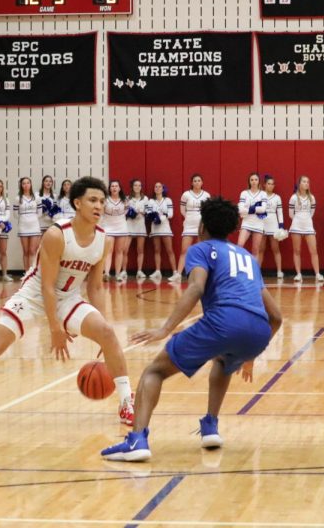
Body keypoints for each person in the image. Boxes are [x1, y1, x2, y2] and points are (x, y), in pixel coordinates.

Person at [0, 176, 135, 426]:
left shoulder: (104, 240)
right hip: (34, 295)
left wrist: (102, 324)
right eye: (93, 200)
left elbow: (95, 286)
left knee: (107, 333)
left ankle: (127, 403)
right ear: (77, 203)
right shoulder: (56, 234)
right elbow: (47, 286)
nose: (99, 206)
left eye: (102, 201)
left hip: (68, 298)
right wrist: (55, 328)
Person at [101, 196, 282, 462]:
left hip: (224, 320)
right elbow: (276, 316)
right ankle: (210, 426)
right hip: (258, 331)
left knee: (154, 371)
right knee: (224, 362)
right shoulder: (247, 257)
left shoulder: (201, 249)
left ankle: (137, 439)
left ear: (202, 226)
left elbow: (196, 287)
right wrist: (250, 356)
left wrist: (165, 329)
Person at [174, 174, 210, 282]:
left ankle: (201, 275)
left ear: (202, 183)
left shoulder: (206, 195)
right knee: (184, 250)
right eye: (195, 181)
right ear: (191, 183)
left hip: (201, 225)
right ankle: (178, 274)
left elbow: (208, 210)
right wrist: (190, 217)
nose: (197, 182)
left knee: (200, 251)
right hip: (189, 225)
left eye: (199, 180)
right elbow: (182, 210)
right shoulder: (186, 195)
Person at [289, 176, 322, 283]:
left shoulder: (312, 198)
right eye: (304, 181)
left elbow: (312, 213)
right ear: (299, 184)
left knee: (314, 251)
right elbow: (291, 214)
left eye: (308, 182)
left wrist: (306, 219)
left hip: (308, 226)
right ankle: (298, 274)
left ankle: (317, 274)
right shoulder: (293, 197)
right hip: (296, 226)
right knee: (297, 251)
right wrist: (298, 220)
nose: (306, 183)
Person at [145, 182, 175, 281]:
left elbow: (171, 214)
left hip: (165, 228)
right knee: (157, 250)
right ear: (154, 189)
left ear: (163, 189)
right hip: (155, 228)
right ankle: (158, 271)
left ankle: (175, 272)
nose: (157, 188)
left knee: (169, 250)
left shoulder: (167, 200)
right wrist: (153, 217)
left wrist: (161, 217)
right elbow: (148, 213)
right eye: (156, 186)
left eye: (159, 187)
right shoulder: (151, 201)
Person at [258, 175, 285, 280]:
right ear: (264, 184)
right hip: (262, 223)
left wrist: (281, 226)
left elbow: (280, 212)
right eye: (268, 183)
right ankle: (257, 271)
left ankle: (279, 271)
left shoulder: (277, 197)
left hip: (273, 224)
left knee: (275, 249)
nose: (270, 186)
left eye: (272, 184)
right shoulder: (260, 196)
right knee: (260, 249)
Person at [101, 180, 128, 282]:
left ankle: (118, 274)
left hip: (121, 226)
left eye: (116, 186)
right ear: (109, 188)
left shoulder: (125, 200)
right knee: (109, 250)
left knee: (120, 251)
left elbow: (125, 212)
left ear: (119, 188)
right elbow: (102, 213)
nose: (114, 188)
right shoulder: (105, 200)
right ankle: (107, 273)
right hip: (108, 227)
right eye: (112, 186)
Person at [237, 172, 266, 266]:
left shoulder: (263, 194)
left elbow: (263, 209)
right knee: (239, 245)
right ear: (249, 181)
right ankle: (240, 267)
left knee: (255, 249)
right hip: (246, 223)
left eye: (256, 180)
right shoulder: (244, 193)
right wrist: (255, 209)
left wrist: (248, 209)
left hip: (258, 224)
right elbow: (240, 210)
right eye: (252, 180)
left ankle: (255, 271)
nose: (254, 182)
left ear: (258, 181)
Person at [15, 177, 41, 270]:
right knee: (25, 251)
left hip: (34, 226)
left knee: (32, 251)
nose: (26, 185)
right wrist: (25, 219)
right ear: (21, 186)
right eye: (24, 183)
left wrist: (32, 219)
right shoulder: (18, 198)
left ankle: (32, 273)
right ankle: (26, 273)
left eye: (28, 183)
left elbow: (40, 213)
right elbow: (15, 214)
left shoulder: (37, 198)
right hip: (23, 226)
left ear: (31, 184)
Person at [125, 179, 149, 280]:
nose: (137, 187)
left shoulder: (145, 199)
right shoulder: (127, 198)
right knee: (124, 250)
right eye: (135, 185)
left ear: (141, 187)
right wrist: (129, 211)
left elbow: (148, 212)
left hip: (140, 225)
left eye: (139, 185)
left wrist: (141, 211)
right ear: (132, 187)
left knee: (140, 250)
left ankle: (139, 271)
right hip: (129, 225)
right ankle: (123, 271)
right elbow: (124, 212)